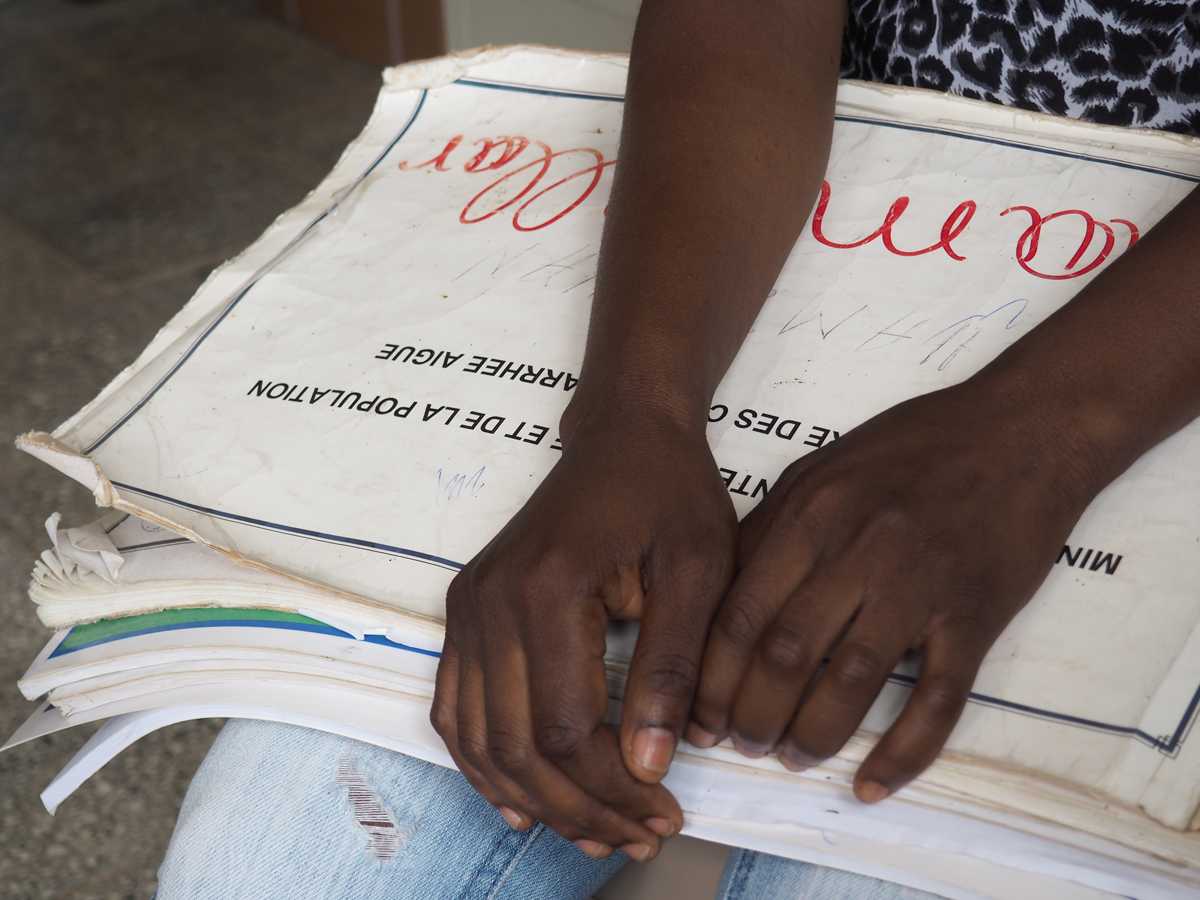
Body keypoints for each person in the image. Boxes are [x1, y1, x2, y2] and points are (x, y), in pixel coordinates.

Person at [156, 1, 1200, 897]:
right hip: (801, 217)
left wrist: (1035, 444)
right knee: (260, 859)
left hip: (1158, 359)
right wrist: (633, 411)